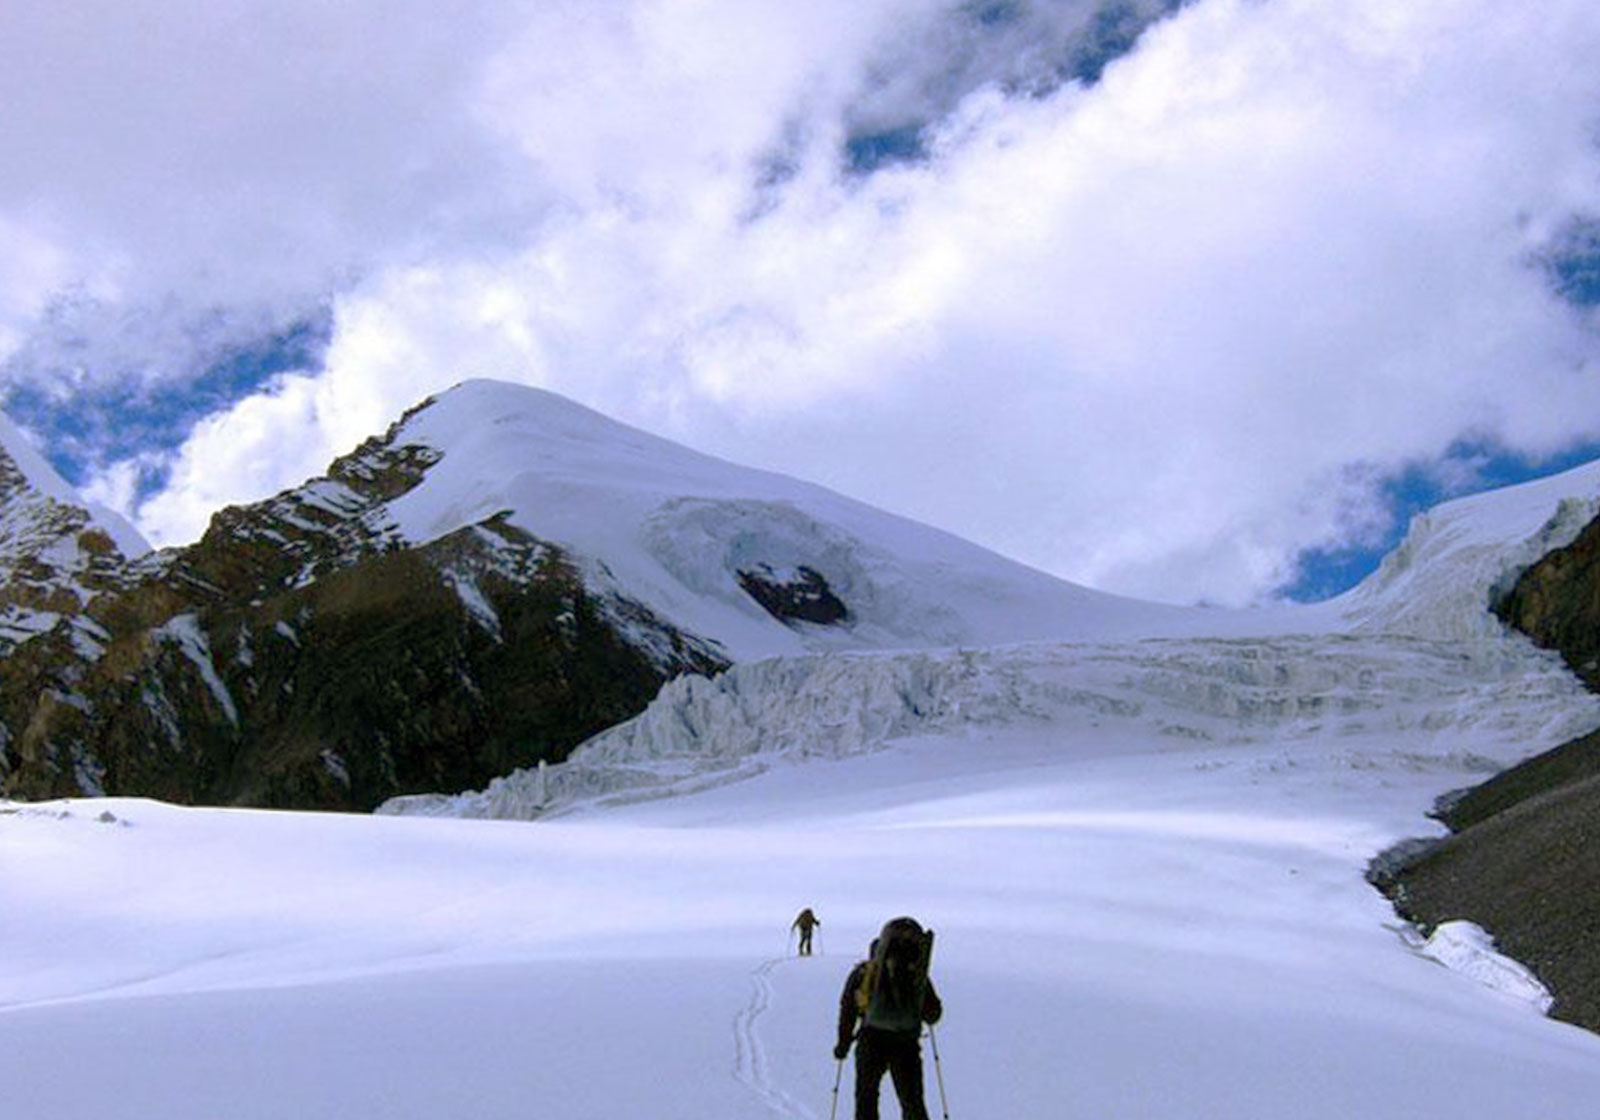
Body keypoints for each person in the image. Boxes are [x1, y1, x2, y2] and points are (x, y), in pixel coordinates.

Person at [834, 917, 942, 1120]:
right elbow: (933, 1014)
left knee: (866, 1099)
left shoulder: (863, 973)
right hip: (906, 1043)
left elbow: (848, 1009)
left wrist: (843, 1044)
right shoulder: (916, 975)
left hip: (871, 1040)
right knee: (912, 1102)